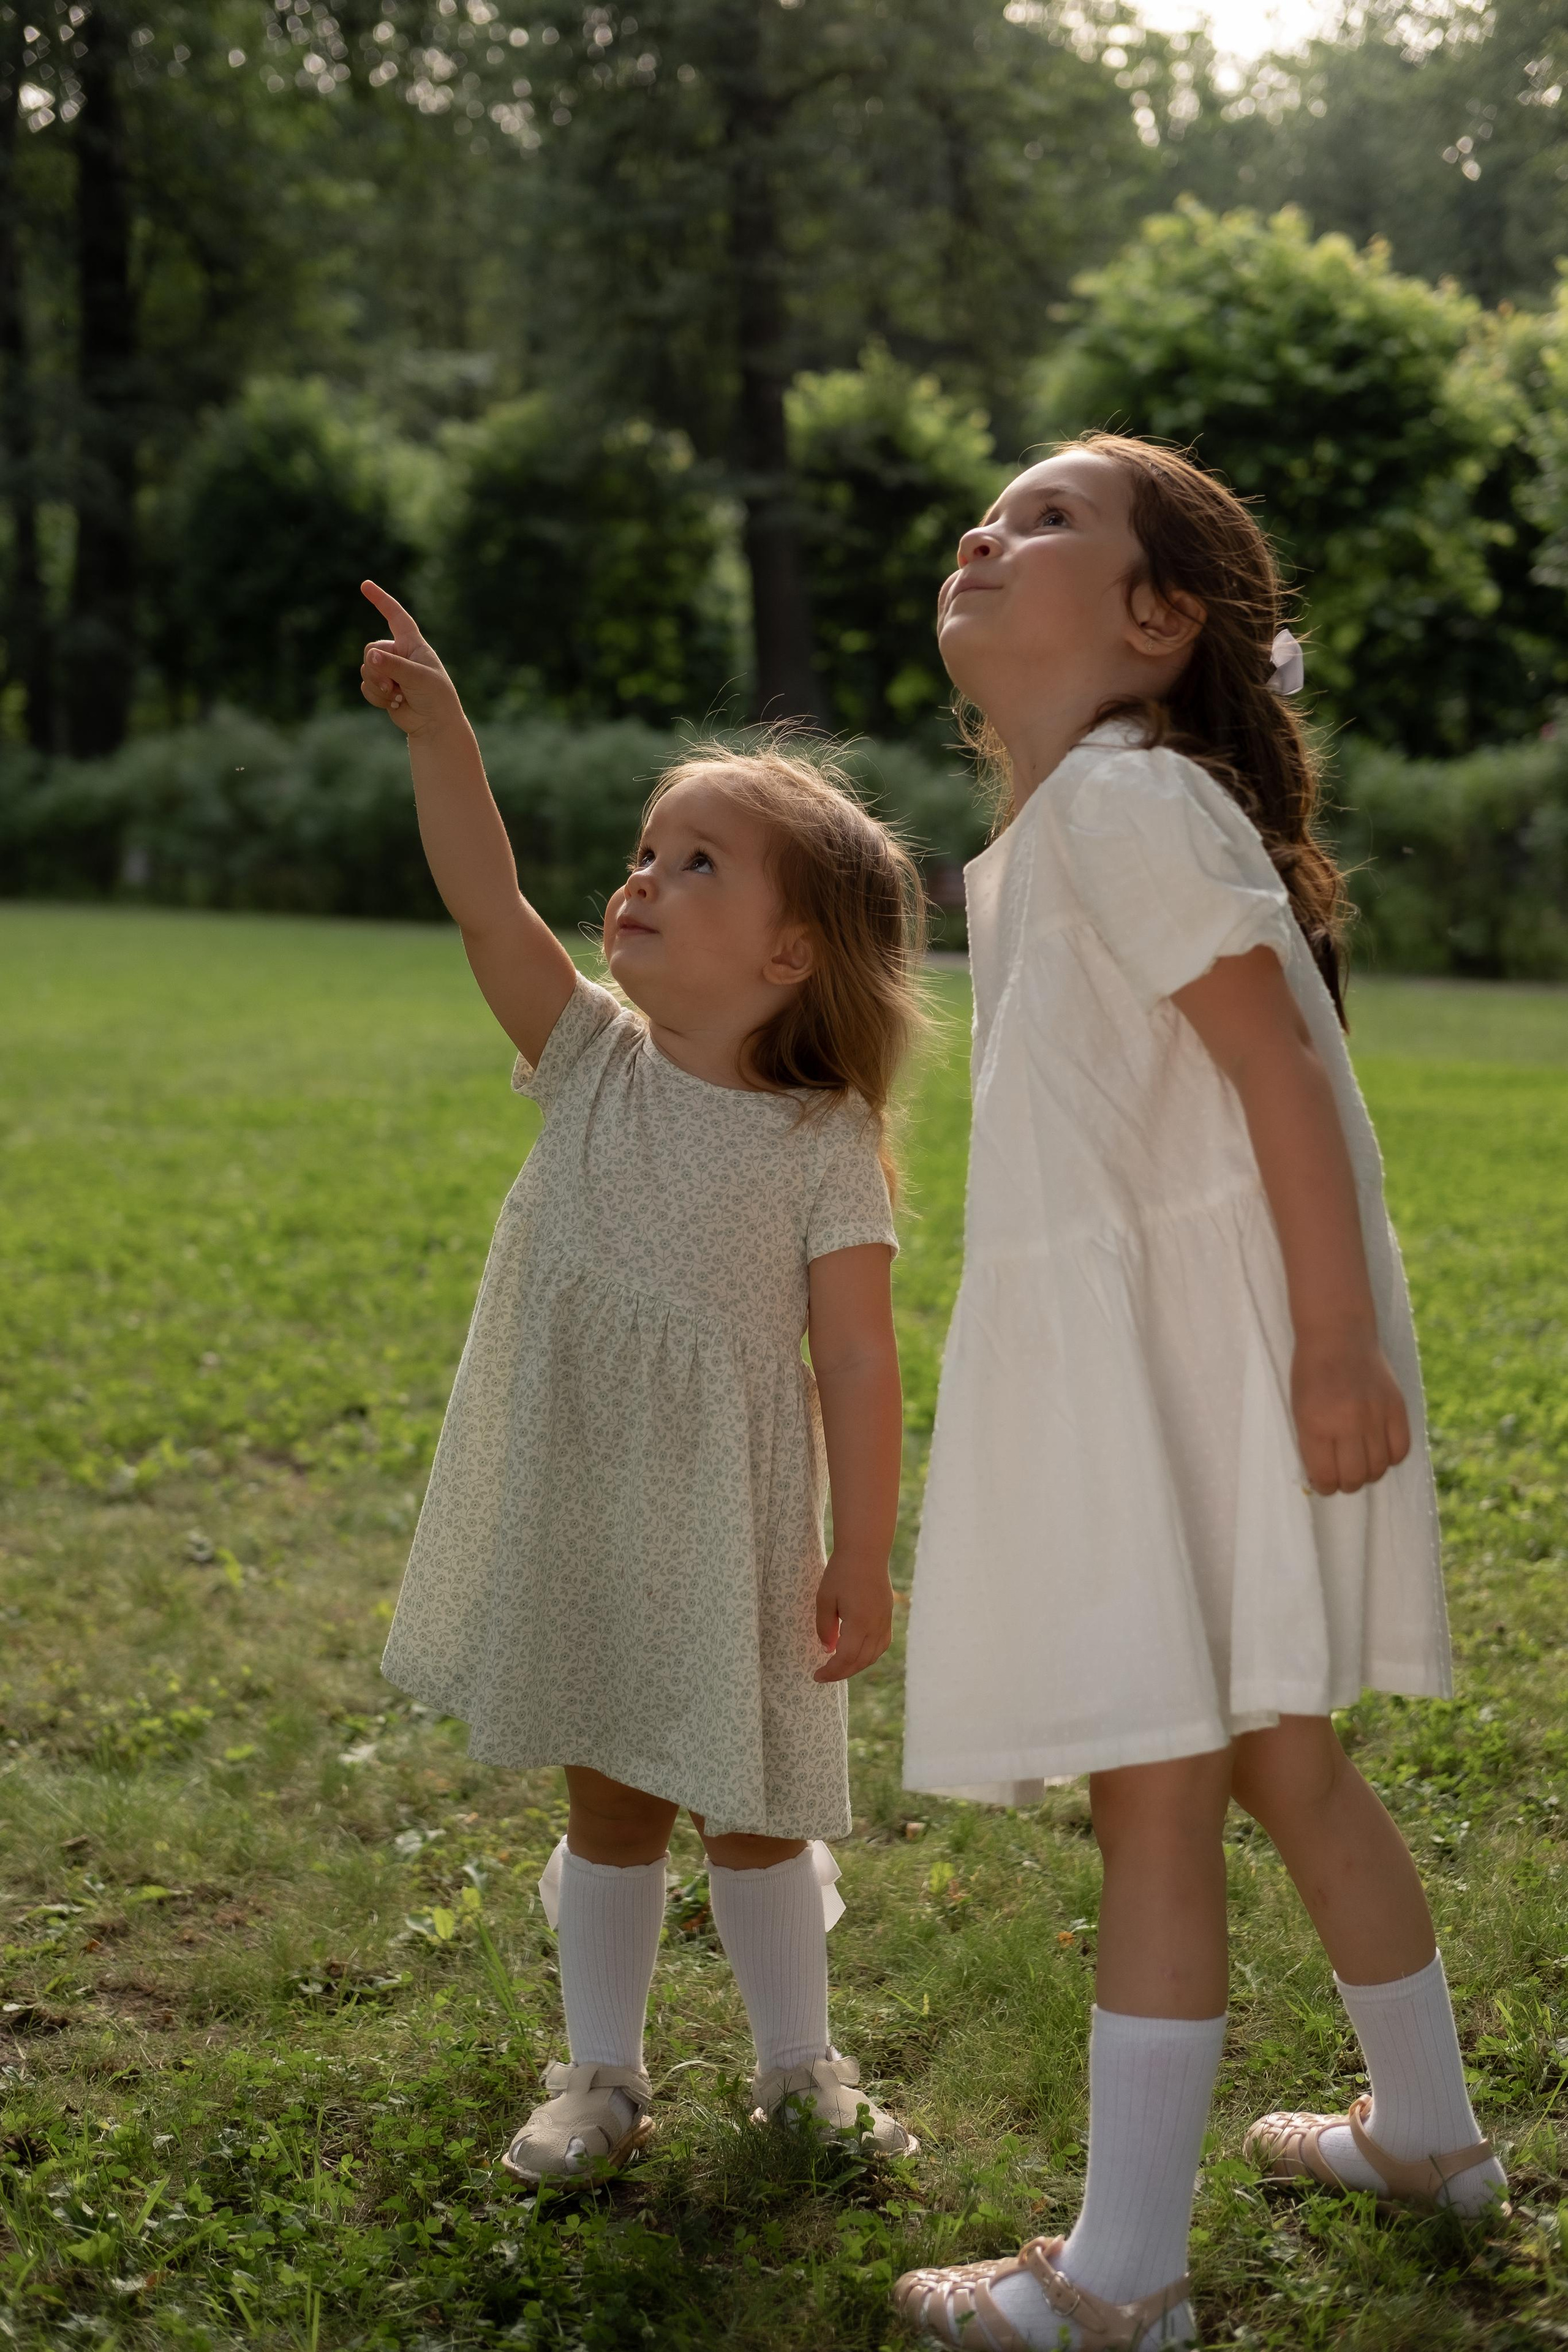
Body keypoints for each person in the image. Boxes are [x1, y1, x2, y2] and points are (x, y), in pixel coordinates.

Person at [891, 439, 1507, 2351]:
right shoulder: (1095, 808)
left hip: (1200, 1378)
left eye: (1049, 517)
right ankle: (1430, 2137)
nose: (990, 529)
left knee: (1156, 1795)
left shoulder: (1122, 801)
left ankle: (1123, 2280)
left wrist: (1333, 1347)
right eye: (995, 509)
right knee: (1276, 1759)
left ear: (1159, 620)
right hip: (1181, 1363)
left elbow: (1280, 1078)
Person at [357, 581, 922, 2182]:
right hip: (588, 1499)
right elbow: (489, 904)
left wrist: (861, 1550)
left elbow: (857, 1353)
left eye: (697, 863)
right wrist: (445, 739)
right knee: (608, 1800)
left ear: (792, 951)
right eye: (645, 851)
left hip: (735, 1525)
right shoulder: (590, 1056)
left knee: (754, 1811)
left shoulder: (820, 1142)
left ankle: (799, 2069)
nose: (644, 879)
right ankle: (599, 2075)